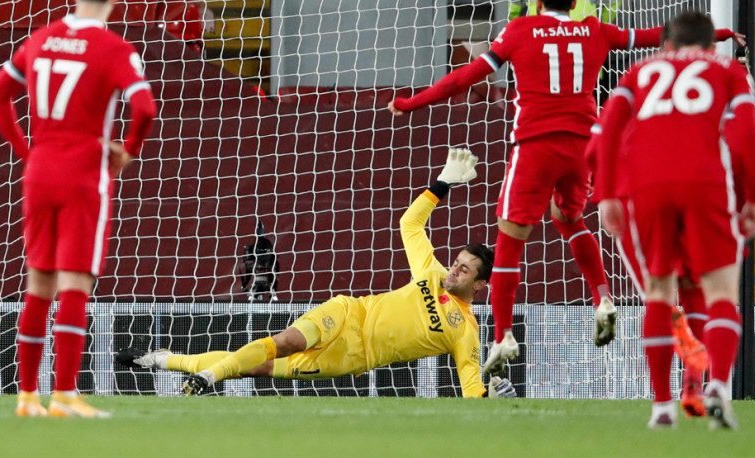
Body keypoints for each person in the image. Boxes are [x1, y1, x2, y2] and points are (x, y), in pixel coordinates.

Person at [388, 0, 741, 376]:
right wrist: (719, 36)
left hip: (536, 146)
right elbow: (657, 39)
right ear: (575, 2)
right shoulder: (594, 30)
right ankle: (602, 296)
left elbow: (465, 77)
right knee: (568, 216)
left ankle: (502, 335)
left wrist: (411, 103)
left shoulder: (518, 32)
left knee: (510, 241)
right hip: (583, 145)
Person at [118, 149, 516, 399]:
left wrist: (492, 397)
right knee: (286, 341)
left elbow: (470, 389)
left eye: (463, 270)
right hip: (347, 313)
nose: (453, 272)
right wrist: (442, 184)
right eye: (456, 262)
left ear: (481, 285)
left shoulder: (464, 330)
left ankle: (162, 360)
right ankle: (207, 377)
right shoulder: (432, 272)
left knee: (255, 366)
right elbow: (409, 225)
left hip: (350, 356)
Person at [0, 0, 157, 418]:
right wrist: (127, 150)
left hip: (40, 173)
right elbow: (145, 108)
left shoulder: (40, 39)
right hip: (85, 173)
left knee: (37, 282)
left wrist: (28, 152)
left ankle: (26, 397)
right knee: (76, 283)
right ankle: (63, 394)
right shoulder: (116, 49)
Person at [596, 11, 755, 429]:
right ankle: (718, 389)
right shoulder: (727, 70)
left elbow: (607, 130)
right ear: (711, 46)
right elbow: (747, 134)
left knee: (659, 292)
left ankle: (661, 407)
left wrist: (606, 194)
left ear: (666, 45)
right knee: (721, 292)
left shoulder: (641, 70)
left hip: (648, 187)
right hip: (706, 183)